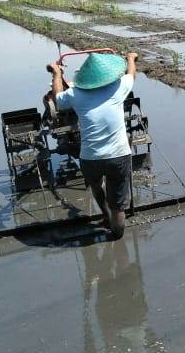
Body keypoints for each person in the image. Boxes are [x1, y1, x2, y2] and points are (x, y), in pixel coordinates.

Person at [49, 51, 139, 239]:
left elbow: (58, 100)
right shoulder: (118, 86)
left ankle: (105, 215)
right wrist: (131, 58)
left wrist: (57, 74)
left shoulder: (75, 93)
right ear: (107, 75)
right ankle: (117, 235)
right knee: (118, 206)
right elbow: (131, 74)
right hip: (119, 156)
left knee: (97, 187)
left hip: (90, 158)